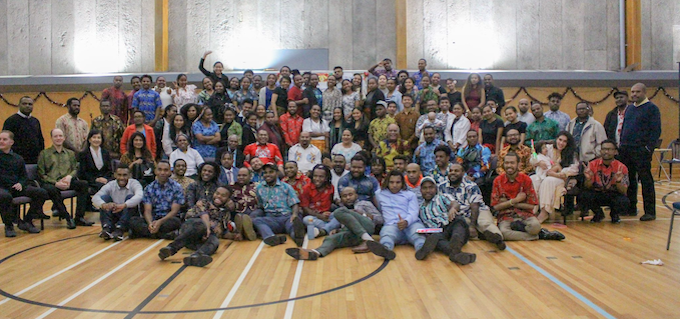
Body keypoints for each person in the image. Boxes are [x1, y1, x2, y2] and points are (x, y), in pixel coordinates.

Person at [285, 186, 383, 260]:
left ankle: (368, 239)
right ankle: (315, 253)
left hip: (366, 226)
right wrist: (338, 230)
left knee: (339, 212)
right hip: (353, 233)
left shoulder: (365, 204)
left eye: (350, 195)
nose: (348, 198)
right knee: (331, 238)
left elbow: (381, 219)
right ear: (341, 198)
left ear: (356, 195)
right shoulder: (341, 209)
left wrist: (365, 215)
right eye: (345, 196)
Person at [366, 170, 438, 260]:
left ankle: (422, 250)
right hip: (392, 225)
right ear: (387, 182)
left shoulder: (410, 195)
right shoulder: (379, 194)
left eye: (398, 182)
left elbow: (414, 212)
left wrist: (406, 221)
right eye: (391, 182)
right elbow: (380, 208)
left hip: (411, 224)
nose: (394, 185)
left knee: (418, 236)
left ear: (402, 183)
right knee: (386, 235)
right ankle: (386, 250)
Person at [492, 152, 565, 241]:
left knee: (535, 227)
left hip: (525, 215)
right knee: (503, 233)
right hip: (505, 216)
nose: (509, 165)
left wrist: (508, 202)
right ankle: (539, 236)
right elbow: (495, 206)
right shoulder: (498, 181)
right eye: (507, 163)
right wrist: (516, 200)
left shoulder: (526, 179)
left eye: (512, 163)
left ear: (518, 164)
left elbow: (531, 205)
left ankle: (525, 231)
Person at [158, 186, 232, 267]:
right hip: (190, 228)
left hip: (199, 240)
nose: (219, 196)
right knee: (201, 225)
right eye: (217, 193)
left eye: (223, 195)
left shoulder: (226, 214)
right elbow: (204, 216)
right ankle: (171, 248)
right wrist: (207, 229)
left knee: (215, 241)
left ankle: (197, 256)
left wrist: (237, 235)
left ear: (228, 199)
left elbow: (221, 231)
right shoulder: (204, 202)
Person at [619, 83, 661, 221]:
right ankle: (631, 208)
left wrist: (648, 149)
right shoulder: (630, 108)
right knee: (629, 181)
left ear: (644, 92)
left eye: (637, 92)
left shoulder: (652, 109)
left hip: (641, 150)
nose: (634, 94)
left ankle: (650, 212)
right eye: (632, 92)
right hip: (626, 149)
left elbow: (655, 131)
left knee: (645, 180)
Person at [439, 163, 505, 249]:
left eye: (456, 171)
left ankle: (498, 239)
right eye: (451, 171)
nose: (453, 173)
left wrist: (472, 226)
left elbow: (475, 206)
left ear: (463, 173)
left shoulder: (471, 186)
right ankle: (482, 235)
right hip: (460, 214)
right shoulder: (442, 187)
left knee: (484, 223)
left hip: (479, 210)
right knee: (461, 226)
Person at [38, 128, 91, 229]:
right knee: (51, 189)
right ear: (52, 138)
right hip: (52, 183)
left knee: (83, 184)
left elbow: (75, 168)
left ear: (64, 138)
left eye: (60, 136)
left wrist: (69, 177)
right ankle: (67, 217)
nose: (58, 138)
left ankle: (79, 217)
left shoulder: (70, 153)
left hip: (67, 181)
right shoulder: (44, 154)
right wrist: (56, 183)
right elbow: (41, 174)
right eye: (56, 136)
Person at [0, 131, 48, 236]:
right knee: (4, 196)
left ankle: (27, 221)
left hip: (17, 187)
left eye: (4, 139)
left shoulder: (18, 158)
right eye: (0, 139)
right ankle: (9, 226)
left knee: (41, 193)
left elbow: (24, 177)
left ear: (11, 142)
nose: (1, 141)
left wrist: (21, 184)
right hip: (2, 188)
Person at [419, 177, 476, 265]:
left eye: (431, 187)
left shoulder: (442, 197)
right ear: (420, 190)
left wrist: (453, 208)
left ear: (436, 188)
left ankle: (455, 241)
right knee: (436, 240)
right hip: (439, 232)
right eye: (425, 188)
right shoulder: (420, 208)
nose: (428, 190)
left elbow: (455, 203)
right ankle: (456, 254)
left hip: (451, 224)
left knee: (459, 220)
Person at [253, 163, 306, 246]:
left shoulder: (286, 187)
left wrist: (294, 215)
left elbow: (295, 203)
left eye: (271, 172)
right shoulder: (259, 188)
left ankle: (297, 237)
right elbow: (260, 205)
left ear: (277, 173)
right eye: (265, 173)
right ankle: (272, 237)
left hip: (286, 216)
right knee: (257, 221)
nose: (268, 175)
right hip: (271, 218)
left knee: (293, 225)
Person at [531, 132, 579, 223]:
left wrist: (559, 173)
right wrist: (538, 163)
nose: (561, 143)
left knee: (548, 181)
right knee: (533, 179)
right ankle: (532, 210)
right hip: (544, 174)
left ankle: (544, 212)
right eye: (560, 140)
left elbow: (575, 168)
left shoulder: (571, 153)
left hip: (561, 178)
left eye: (564, 141)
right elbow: (533, 157)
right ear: (556, 139)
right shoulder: (548, 148)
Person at [129, 160, 184, 239]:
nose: (162, 173)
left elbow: (174, 211)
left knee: (176, 222)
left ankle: (145, 233)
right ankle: (163, 235)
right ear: (155, 171)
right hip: (153, 218)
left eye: (165, 170)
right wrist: (150, 224)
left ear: (170, 172)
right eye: (160, 169)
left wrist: (160, 222)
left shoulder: (177, 187)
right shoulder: (149, 188)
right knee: (133, 221)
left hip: (168, 219)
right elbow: (147, 210)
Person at [579, 140, 630, 223]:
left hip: (613, 195)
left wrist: (618, 182)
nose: (606, 151)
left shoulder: (622, 167)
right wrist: (588, 178)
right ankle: (598, 213)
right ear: (600, 151)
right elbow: (587, 187)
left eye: (609, 149)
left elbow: (624, 191)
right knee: (583, 196)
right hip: (597, 193)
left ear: (615, 152)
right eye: (604, 149)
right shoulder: (592, 164)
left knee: (624, 201)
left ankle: (614, 214)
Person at [93, 165, 144, 241]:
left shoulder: (135, 183)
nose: (122, 178)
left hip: (129, 216)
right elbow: (95, 197)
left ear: (130, 175)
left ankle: (120, 229)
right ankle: (107, 228)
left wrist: (124, 205)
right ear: (115, 175)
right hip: (115, 214)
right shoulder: (110, 184)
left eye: (125, 175)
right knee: (104, 198)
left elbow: (140, 196)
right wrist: (103, 205)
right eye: (119, 175)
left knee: (130, 197)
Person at [299, 165, 340, 237]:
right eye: (315, 176)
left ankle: (323, 231)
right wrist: (320, 216)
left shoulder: (330, 187)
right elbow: (305, 208)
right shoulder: (306, 188)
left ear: (326, 178)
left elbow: (330, 202)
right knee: (306, 219)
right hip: (314, 217)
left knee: (341, 215)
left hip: (327, 216)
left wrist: (327, 214)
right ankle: (330, 228)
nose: (317, 179)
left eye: (321, 177)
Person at [3, 97, 44, 164]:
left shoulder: (35, 121)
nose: (27, 106)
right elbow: (5, 141)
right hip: (16, 160)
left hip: (34, 160)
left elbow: (40, 139)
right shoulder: (11, 121)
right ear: (19, 105)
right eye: (24, 104)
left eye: (30, 104)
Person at [77, 130, 112, 200]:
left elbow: (109, 170)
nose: (96, 140)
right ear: (89, 139)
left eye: (99, 138)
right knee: (103, 187)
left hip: (105, 179)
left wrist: (105, 178)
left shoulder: (105, 153)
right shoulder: (83, 154)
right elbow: (83, 172)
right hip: (91, 181)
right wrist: (96, 179)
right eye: (94, 137)